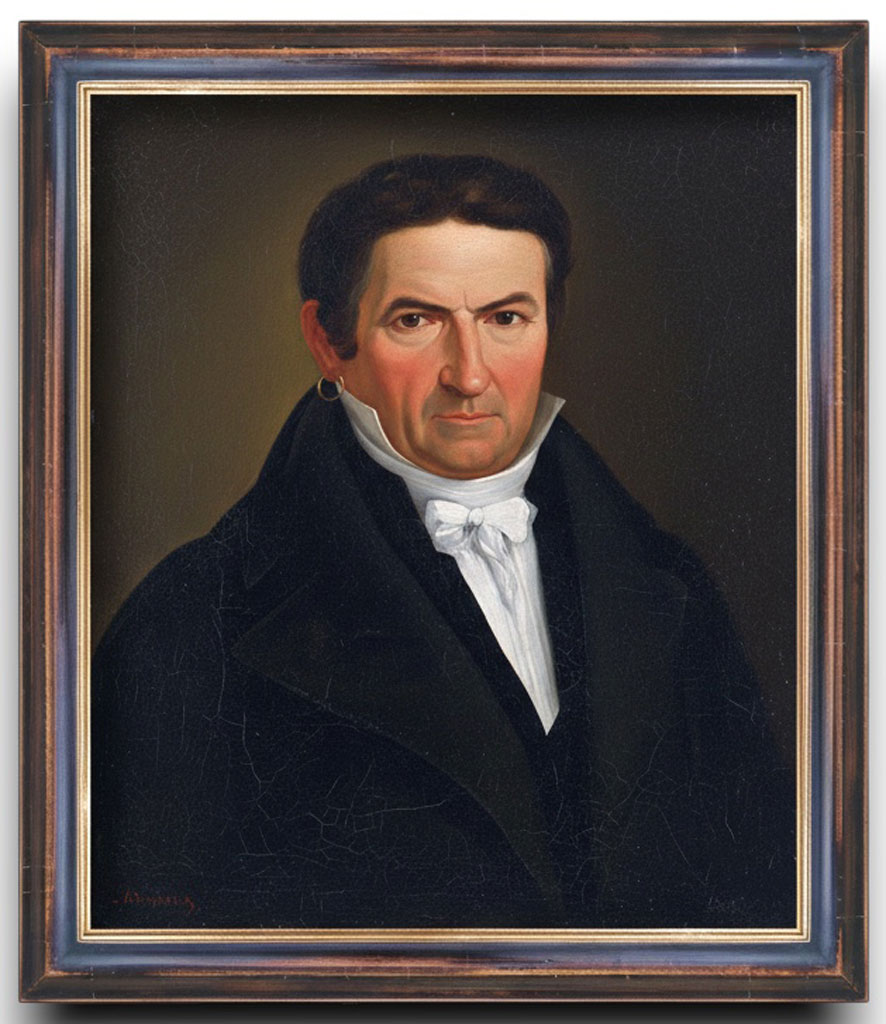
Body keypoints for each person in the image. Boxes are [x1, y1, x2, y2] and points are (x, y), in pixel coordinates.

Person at [91, 154, 795, 930]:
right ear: (328, 341)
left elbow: (765, 904)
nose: (469, 375)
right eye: (415, 321)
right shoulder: (199, 614)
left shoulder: (668, 585)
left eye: (505, 319)